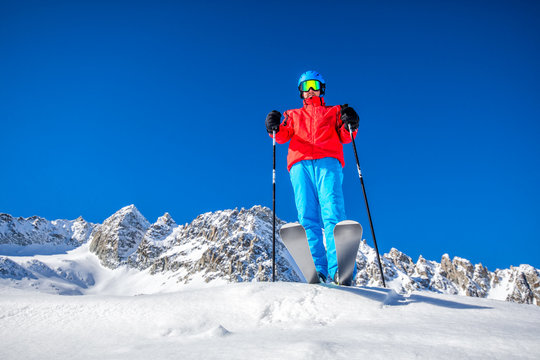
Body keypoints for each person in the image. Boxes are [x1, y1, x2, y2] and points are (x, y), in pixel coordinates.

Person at [265, 70, 360, 285]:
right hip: (299, 164)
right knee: (307, 215)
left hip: (328, 160)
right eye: (305, 86)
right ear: (300, 91)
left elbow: (347, 136)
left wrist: (350, 121)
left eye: (314, 86)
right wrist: (272, 125)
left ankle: (338, 269)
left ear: (322, 88)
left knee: (332, 209)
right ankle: (318, 269)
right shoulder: (293, 115)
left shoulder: (335, 111)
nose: (310, 91)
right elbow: (281, 136)